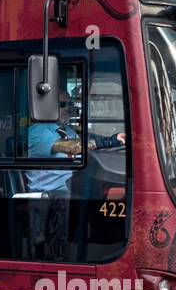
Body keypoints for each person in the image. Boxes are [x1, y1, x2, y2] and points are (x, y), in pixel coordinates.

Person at [24, 96, 124, 260]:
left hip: (67, 186)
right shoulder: (38, 131)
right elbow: (71, 147)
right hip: (46, 192)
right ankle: (56, 255)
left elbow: (86, 139)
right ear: (48, 106)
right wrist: (105, 142)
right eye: (64, 104)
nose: (69, 109)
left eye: (70, 104)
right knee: (69, 201)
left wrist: (115, 138)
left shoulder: (65, 129)